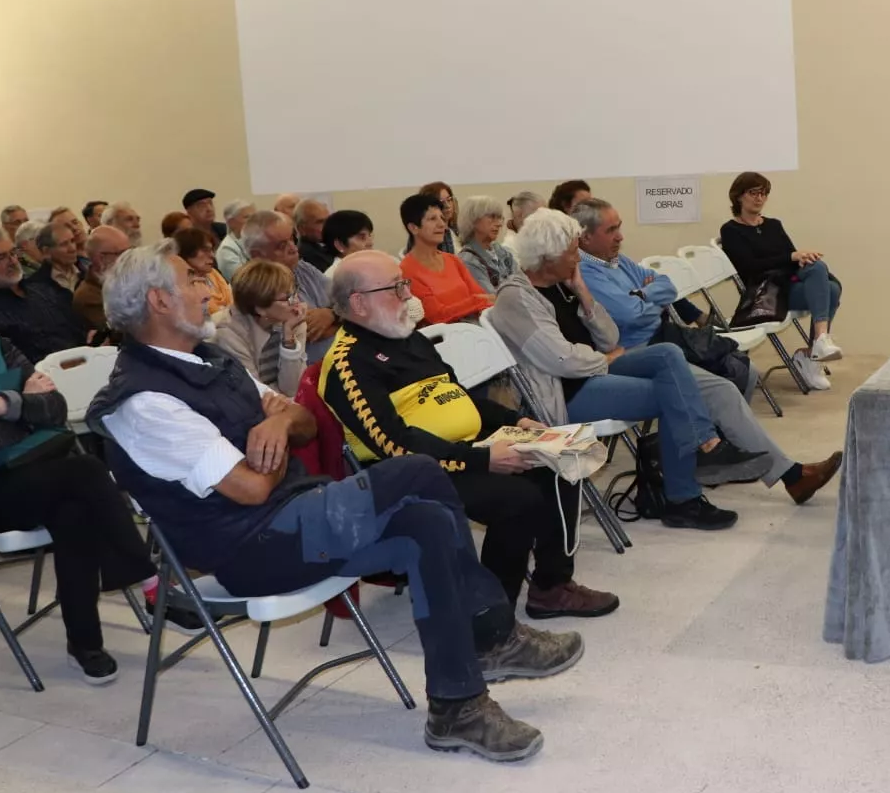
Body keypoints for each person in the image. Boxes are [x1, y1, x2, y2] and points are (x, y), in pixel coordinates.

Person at [85, 243, 578, 761]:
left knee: (427, 522)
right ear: (160, 301)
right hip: (252, 549)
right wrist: (269, 429)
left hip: (297, 513)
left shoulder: (208, 360)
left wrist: (274, 423)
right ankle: (493, 637)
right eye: (192, 279)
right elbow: (250, 489)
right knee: (417, 470)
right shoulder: (144, 402)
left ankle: (457, 704)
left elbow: (300, 420)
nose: (207, 286)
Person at [0, 263, 199, 684]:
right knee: (86, 471)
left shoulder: (0, 348)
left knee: (76, 510)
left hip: (41, 476)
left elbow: (55, 410)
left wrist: (0, 404)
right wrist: (24, 408)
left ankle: (86, 643)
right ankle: (151, 585)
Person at [322, 251, 619, 618]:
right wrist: (484, 459)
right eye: (396, 287)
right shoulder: (348, 364)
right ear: (358, 303)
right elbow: (393, 444)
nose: (407, 295)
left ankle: (551, 587)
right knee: (517, 499)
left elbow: (459, 399)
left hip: (464, 451)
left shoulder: (408, 339)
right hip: (407, 473)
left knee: (560, 460)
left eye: (405, 284)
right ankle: (491, 618)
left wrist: (517, 421)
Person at [492, 210, 774, 531]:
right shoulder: (516, 298)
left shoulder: (563, 285)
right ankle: (684, 496)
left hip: (591, 371)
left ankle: (705, 447)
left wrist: (584, 295)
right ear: (548, 255)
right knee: (672, 395)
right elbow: (561, 360)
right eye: (572, 250)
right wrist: (606, 360)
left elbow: (609, 336)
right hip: (564, 391)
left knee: (667, 354)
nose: (577, 257)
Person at [573, 200, 842, 504]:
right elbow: (630, 313)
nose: (621, 236)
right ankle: (791, 477)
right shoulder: (587, 271)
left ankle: (714, 458)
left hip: (664, 338)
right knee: (722, 391)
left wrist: (643, 294)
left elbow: (667, 287)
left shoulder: (616, 260)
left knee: (745, 369)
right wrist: (646, 298)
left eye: (619, 226)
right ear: (585, 237)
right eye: (612, 230)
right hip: (636, 351)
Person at [720, 172, 843, 381]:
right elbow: (749, 268)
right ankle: (815, 351)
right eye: (754, 192)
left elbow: (791, 259)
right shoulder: (731, 230)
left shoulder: (773, 225)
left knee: (824, 277)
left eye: (764, 193)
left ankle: (817, 345)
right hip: (765, 293)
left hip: (787, 285)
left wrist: (800, 258)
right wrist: (792, 256)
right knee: (829, 287)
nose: (760, 198)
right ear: (739, 196)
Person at [0, 228, 86, 364]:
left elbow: (79, 331)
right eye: (0, 258)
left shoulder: (45, 290)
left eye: (13, 253)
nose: (12, 261)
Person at [241, 210, 337, 362]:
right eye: (281, 246)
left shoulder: (303, 268)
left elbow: (348, 302)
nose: (293, 248)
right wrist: (338, 323)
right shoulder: (254, 288)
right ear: (256, 255)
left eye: (292, 238)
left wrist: (332, 314)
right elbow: (309, 335)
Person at [210, 260, 307, 396]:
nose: (296, 302)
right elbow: (254, 393)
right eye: (287, 298)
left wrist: (288, 339)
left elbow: (292, 388)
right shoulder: (229, 332)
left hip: (282, 401)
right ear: (260, 308)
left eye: (294, 293)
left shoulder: (293, 321)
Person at [399, 194, 493, 325]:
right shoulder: (406, 271)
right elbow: (436, 316)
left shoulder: (453, 260)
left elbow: (482, 298)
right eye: (432, 219)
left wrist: (482, 301)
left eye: (442, 218)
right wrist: (476, 302)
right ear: (413, 227)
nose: (442, 224)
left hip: (476, 330)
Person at [74, 226, 130, 335]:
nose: (130, 259)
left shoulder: (128, 281)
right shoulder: (88, 297)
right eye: (123, 254)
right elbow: (120, 331)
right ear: (102, 259)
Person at [458, 195, 518, 294]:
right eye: (492, 217)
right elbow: (491, 298)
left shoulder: (501, 251)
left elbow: (524, 284)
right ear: (473, 220)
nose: (499, 224)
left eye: (499, 218)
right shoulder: (467, 260)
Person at [174, 227, 233, 316]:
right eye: (205, 250)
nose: (212, 255)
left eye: (212, 250)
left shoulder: (214, 274)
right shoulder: (181, 285)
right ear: (187, 251)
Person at [322, 209, 378, 279]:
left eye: (369, 236)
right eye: (362, 237)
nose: (370, 243)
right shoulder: (335, 275)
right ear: (340, 245)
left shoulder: (366, 268)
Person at [32, 222, 84, 293]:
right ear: (46, 251)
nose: (72, 249)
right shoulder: (36, 286)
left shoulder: (87, 272)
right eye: (64, 244)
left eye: (72, 241)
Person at [215, 199, 255, 281]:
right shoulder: (227, 249)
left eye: (254, 217)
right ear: (231, 222)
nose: (253, 221)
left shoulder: (255, 241)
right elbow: (244, 281)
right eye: (247, 217)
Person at [294, 199, 333, 273]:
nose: (327, 226)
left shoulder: (326, 246)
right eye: (320, 222)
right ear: (301, 229)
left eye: (328, 220)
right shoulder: (307, 256)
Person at [420, 183, 459, 254]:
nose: (447, 206)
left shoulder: (455, 228)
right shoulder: (432, 235)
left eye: (449, 200)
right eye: (441, 202)